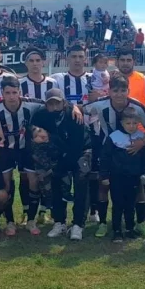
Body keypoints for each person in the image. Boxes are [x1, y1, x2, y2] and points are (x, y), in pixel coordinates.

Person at [85, 75, 145, 238]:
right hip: (108, 152)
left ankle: (139, 223)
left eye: (123, 90)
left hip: (132, 152)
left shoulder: (136, 107)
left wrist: (143, 141)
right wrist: (75, 108)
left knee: (138, 188)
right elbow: (82, 109)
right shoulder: (100, 104)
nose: (119, 94)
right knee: (104, 186)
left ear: (128, 91)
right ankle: (103, 223)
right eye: (115, 90)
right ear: (109, 91)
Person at [0, 76, 44, 236]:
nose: (12, 96)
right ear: (2, 93)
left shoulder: (32, 104)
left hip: (26, 149)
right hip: (6, 150)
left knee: (33, 181)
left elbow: (52, 105)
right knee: (6, 185)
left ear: (20, 92)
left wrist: (74, 108)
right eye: (8, 92)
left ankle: (31, 220)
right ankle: (10, 222)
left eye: (14, 92)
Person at [31, 88, 91, 240]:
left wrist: (63, 165)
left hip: (81, 150)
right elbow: (33, 133)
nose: (54, 107)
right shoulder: (41, 116)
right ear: (46, 105)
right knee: (55, 182)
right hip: (58, 152)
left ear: (64, 103)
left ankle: (78, 224)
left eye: (57, 103)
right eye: (51, 104)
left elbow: (77, 146)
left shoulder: (74, 114)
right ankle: (59, 222)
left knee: (81, 181)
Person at [51, 45, 101, 223]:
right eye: (74, 56)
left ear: (86, 58)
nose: (77, 60)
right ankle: (60, 218)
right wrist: (75, 107)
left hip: (92, 134)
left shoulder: (93, 79)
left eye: (81, 56)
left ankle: (93, 210)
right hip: (66, 137)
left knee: (92, 174)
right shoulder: (58, 79)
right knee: (64, 177)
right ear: (67, 58)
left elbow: (100, 103)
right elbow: (54, 103)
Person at [99, 107, 145, 242]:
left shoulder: (141, 137)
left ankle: (129, 229)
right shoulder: (114, 137)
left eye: (134, 123)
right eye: (128, 123)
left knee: (130, 204)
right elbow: (105, 157)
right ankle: (117, 231)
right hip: (117, 177)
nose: (132, 126)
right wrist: (104, 176)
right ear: (122, 123)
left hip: (134, 177)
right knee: (118, 204)